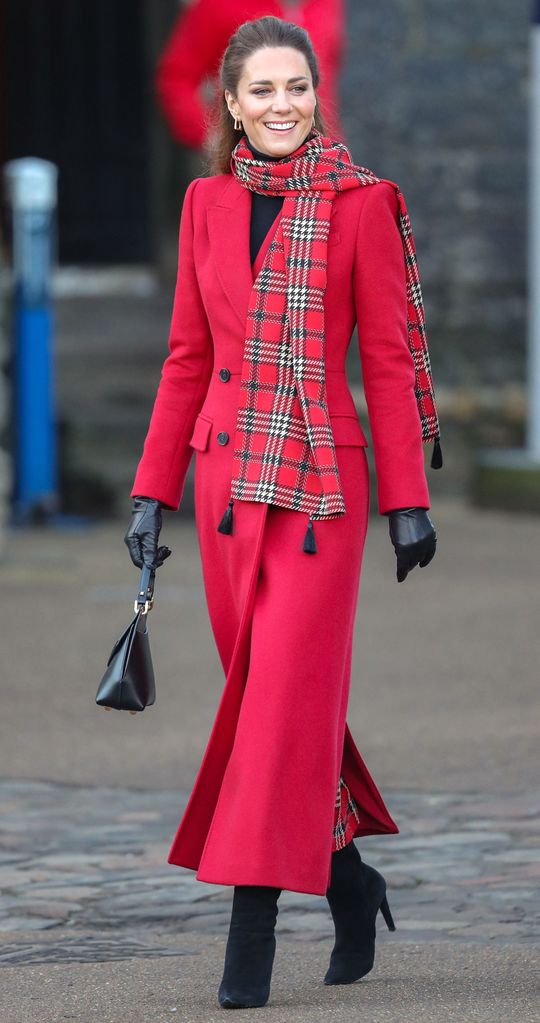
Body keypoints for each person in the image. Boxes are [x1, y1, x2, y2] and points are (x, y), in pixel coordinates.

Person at [125, 15, 440, 1010]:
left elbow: (386, 363)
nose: (281, 106)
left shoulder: (365, 205)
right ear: (230, 103)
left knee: (271, 713)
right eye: (260, 90)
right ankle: (352, 885)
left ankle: (249, 933)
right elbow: (186, 359)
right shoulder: (204, 205)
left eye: (295, 87)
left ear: (317, 92)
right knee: (282, 709)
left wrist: (408, 501)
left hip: (322, 497)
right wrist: (150, 488)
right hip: (223, 492)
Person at [155, 0, 345, 147]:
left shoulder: (327, 3)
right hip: (248, 157)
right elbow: (177, 76)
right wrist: (210, 136)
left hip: (320, 150)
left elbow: (328, 70)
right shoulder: (219, 5)